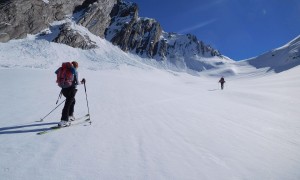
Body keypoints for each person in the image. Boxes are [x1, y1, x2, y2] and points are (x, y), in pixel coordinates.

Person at [55, 61, 85, 127]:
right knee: (68, 104)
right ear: (76, 66)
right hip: (71, 90)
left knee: (73, 101)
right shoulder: (75, 72)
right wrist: (82, 82)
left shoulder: (64, 70)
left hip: (64, 90)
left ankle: (70, 115)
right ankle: (64, 120)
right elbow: (77, 82)